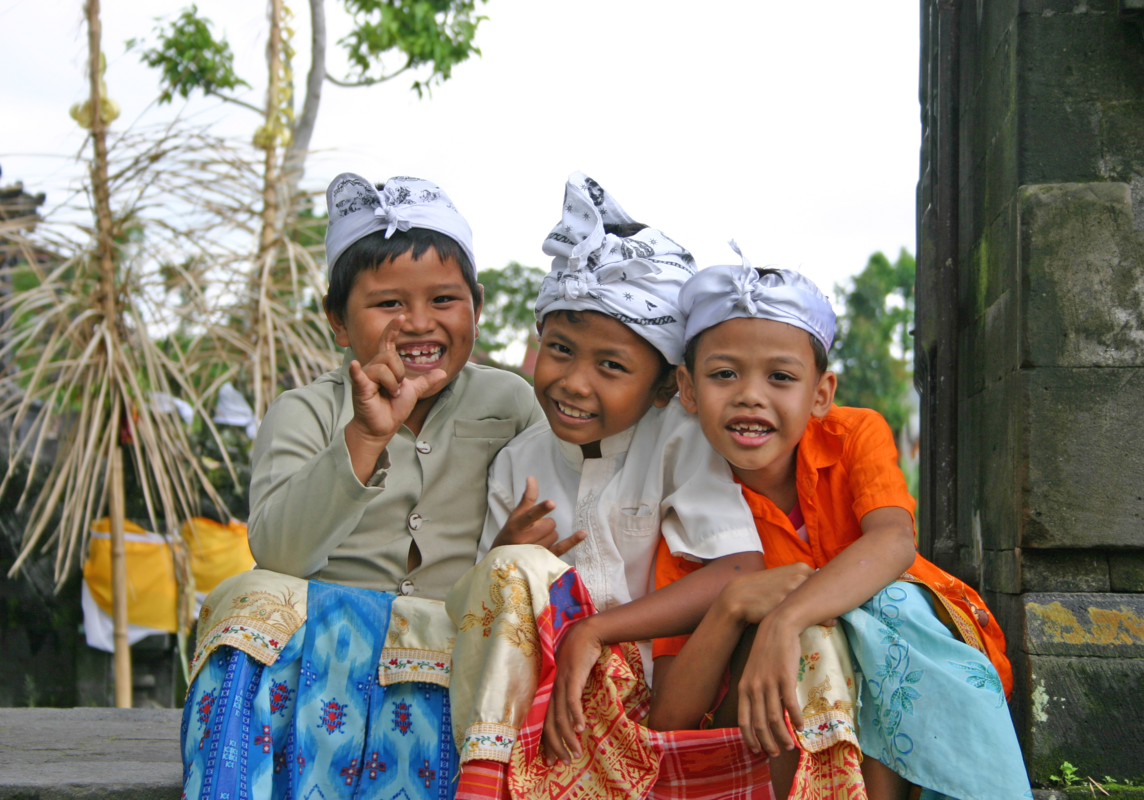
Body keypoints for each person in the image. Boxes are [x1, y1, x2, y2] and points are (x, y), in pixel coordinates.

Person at [446, 173, 815, 799]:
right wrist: (509, 552)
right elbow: (482, 613)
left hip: (657, 683)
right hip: (548, 689)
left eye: (611, 365)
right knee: (510, 568)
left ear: (667, 384)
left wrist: (596, 631)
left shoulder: (678, 438)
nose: (573, 382)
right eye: (560, 349)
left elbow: (737, 567)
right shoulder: (517, 462)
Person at [180, 173, 543, 800]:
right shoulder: (304, 411)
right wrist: (365, 437)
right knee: (249, 593)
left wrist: (506, 550)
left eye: (444, 300)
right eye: (388, 304)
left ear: (478, 308)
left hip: (463, 655)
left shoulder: (511, 401)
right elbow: (279, 554)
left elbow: (551, 509)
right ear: (338, 321)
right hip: (326, 662)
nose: (418, 323)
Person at [650, 246, 1033, 799]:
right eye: (724, 374)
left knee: (883, 603)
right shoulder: (689, 510)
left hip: (909, 678)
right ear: (688, 389)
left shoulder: (854, 435)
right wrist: (734, 608)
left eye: (780, 377)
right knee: (814, 641)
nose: (750, 395)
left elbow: (894, 541)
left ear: (821, 394)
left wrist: (785, 619)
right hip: (769, 722)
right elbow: (669, 718)